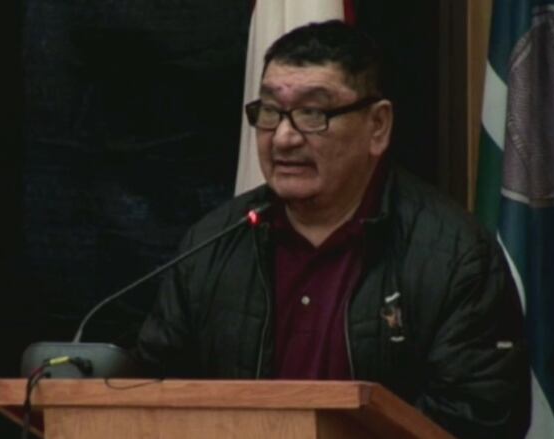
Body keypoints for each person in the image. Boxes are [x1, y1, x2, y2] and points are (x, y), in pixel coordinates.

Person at [130, 20, 530, 438]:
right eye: (270, 112)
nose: (283, 138)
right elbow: (153, 397)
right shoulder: (211, 245)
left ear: (377, 126)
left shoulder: (454, 255)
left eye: (312, 113)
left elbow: (479, 421)